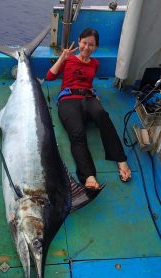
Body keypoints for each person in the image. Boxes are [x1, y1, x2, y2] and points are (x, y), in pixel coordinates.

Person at [46, 28, 131, 190]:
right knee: (77, 134)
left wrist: (95, 97)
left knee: (103, 116)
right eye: (84, 43)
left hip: (88, 98)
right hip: (68, 100)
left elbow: (87, 83)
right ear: (79, 42)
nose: (87, 47)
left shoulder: (95, 64)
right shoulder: (69, 60)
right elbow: (50, 76)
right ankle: (89, 175)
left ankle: (121, 159)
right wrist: (63, 57)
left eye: (91, 45)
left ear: (96, 47)